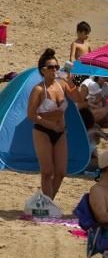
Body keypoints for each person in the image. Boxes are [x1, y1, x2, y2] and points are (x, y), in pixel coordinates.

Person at [27, 49, 80, 201]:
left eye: (57, 67)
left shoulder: (62, 84)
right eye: (51, 67)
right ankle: (48, 204)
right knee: (47, 172)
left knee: (61, 172)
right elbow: (31, 115)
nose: (55, 70)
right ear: (43, 70)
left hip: (60, 131)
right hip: (43, 130)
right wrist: (50, 126)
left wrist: (71, 81)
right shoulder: (38, 89)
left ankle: (48, 202)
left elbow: (78, 99)